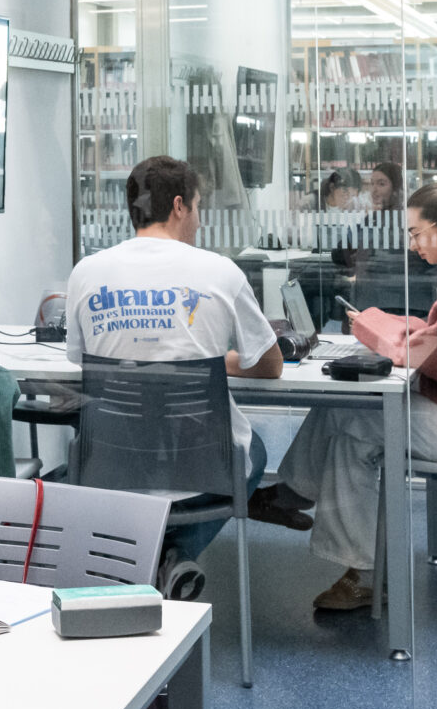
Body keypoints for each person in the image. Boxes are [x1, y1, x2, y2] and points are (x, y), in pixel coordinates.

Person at [273, 183, 437, 611]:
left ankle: (351, 558)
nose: (411, 244)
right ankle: (299, 504)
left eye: (415, 233)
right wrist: (387, 325)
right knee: (349, 414)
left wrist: (376, 331)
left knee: (354, 418)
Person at [65, 155, 286, 573]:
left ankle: (141, 554)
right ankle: (175, 553)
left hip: (115, 462)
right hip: (205, 465)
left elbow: (80, 361)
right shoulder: (220, 271)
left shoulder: (86, 273)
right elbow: (270, 364)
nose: (199, 220)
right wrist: (220, 362)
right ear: (180, 206)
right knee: (254, 450)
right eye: (198, 207)